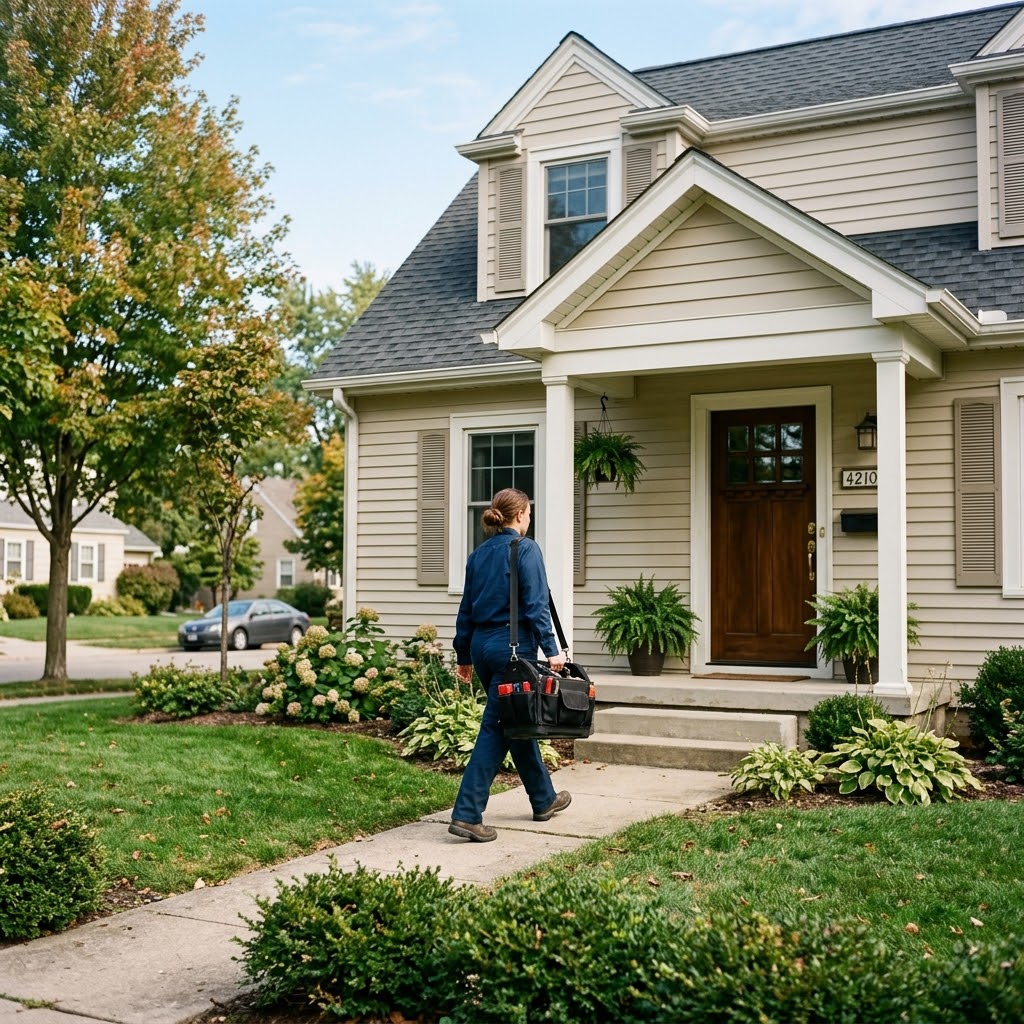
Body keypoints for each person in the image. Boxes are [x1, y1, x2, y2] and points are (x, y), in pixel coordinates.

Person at [448, 488, 571, 842]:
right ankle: (467, 814)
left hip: (484, 648)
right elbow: (535, 605)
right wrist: (553, 650)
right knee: (498, 726)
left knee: (513, 721)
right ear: (519, 516)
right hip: (512, 650)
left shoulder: (478, 554)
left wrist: (464, 656)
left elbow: (466, 610)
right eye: (529, 514)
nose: (529, 520)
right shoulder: (526, 548)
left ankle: (544, 799)